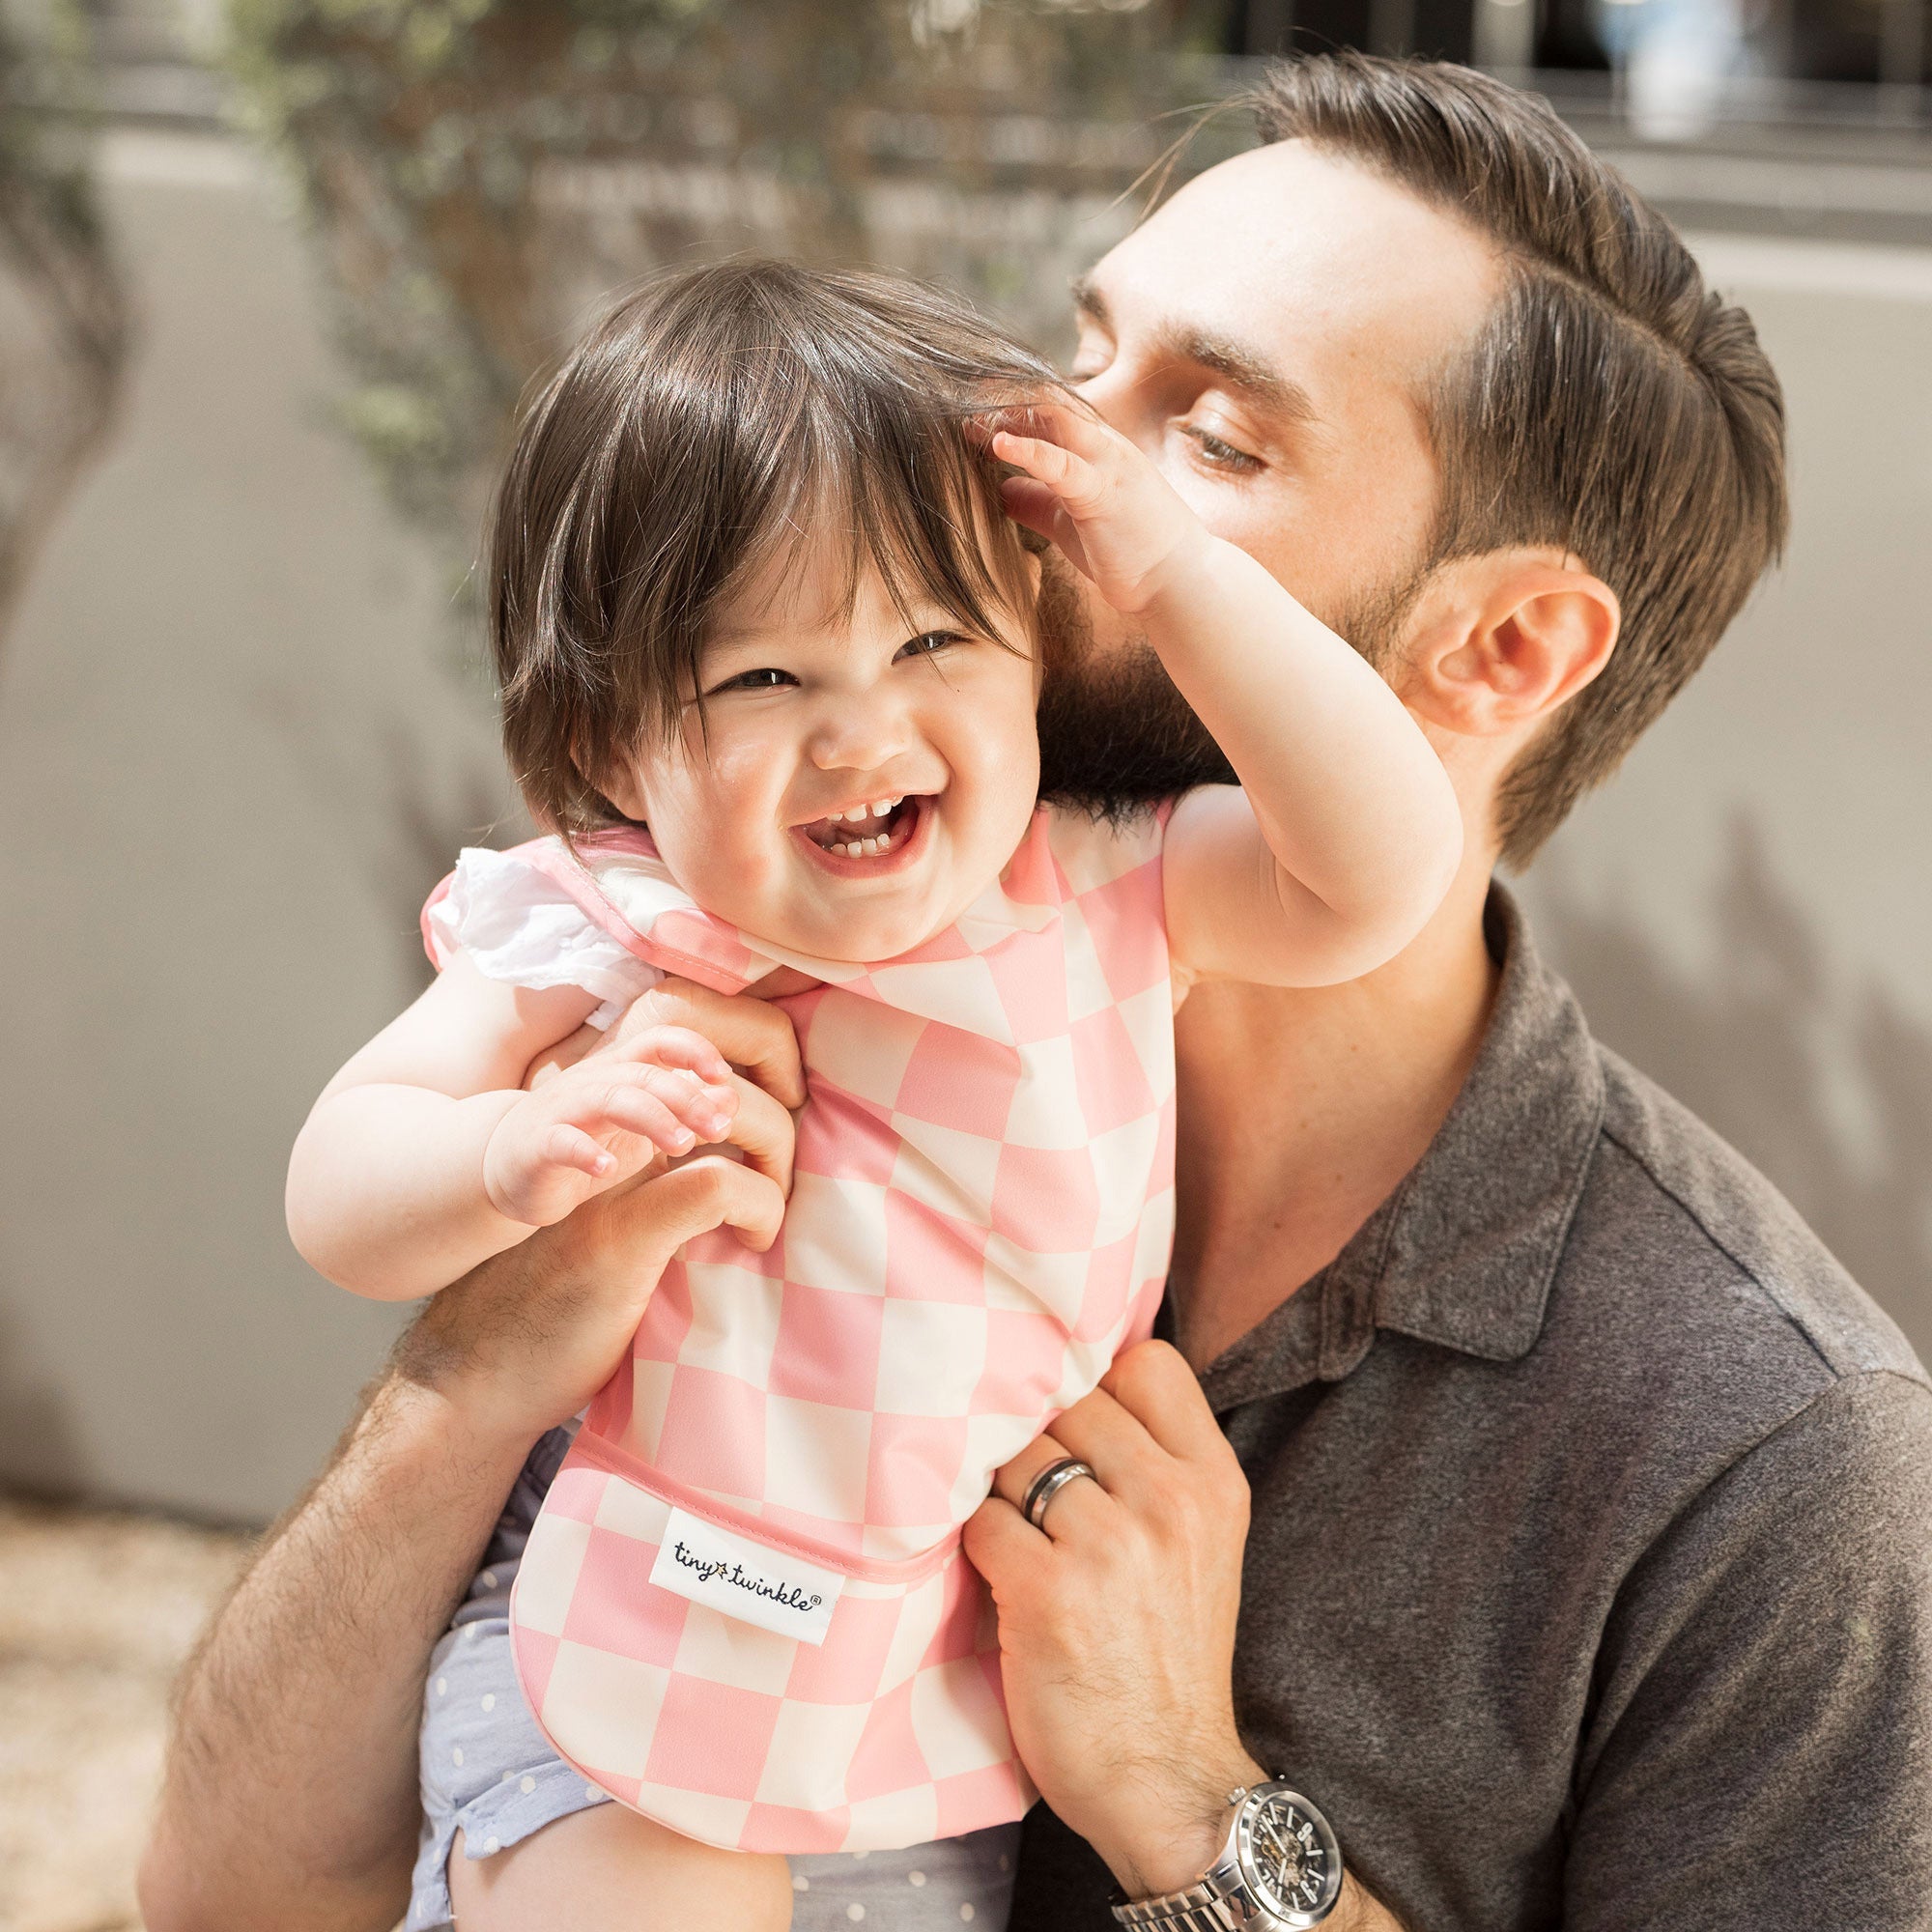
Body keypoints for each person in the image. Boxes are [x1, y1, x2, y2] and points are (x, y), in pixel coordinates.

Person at [139, 52, 1932, 1932]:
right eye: (1076, 357)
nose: (1026, 451)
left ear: (1499, 647)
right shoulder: (762, 990)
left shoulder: (1772, 1470)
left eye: (1209, 437)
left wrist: (1194, 1806)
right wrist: (465, 1378)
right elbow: (225, 1909)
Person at [281, 257, 1459, 1930]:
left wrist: (1172, 570)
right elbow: (338, 1191)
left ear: (1034, 662)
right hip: (620, 1662)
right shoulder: (614, 920)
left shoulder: (1104, 891)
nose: (861, 730)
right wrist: (504, 1151)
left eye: (933, 642)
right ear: (619, 748)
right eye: (765, 680)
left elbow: (1379, 870)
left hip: (915, 1688)